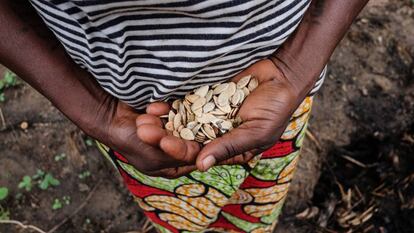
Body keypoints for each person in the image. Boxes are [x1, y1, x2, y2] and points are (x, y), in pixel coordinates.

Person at [0, 0, 368, 232]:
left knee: (258, 205)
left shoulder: (288, 79)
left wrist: (294, 67)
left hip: (281, 98)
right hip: (140, 127)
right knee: (179, 217)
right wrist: (96, 111)